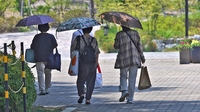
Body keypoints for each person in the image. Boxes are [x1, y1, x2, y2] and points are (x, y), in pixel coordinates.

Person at [114, 25, 145, 104]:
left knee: (123, 76)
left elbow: (116, 46)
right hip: (134, 58)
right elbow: (139, 47)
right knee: (132, 79)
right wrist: (142, 57)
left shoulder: (119, 34)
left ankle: (124, 90)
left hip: (123, 59)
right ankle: (130, 98)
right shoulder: (135, 33)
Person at [70, 27, 100, 104]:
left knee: (80, 80)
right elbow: (96, 52)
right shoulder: (94, 40)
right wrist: (96, 62)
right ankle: (88, 99)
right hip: (92, 62)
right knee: (91, 81)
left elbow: (73, 49)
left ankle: (81, 94)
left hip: (82, 62)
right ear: (91, 30)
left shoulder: (78, 38)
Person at [31, 23, 58, 95]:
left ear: (39, 28)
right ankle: (47, 88)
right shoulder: (51, 36)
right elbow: (55, 45)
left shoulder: (37, 37)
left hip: (39, 57)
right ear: (48, 28)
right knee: (48, 73)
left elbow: (32, 47)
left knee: (40, 73)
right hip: (49, 57)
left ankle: (42, 89)